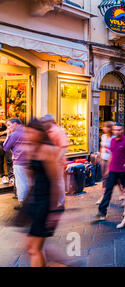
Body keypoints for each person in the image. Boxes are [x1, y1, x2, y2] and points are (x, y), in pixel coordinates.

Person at [24, 119, 63, 267]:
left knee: (33, 248)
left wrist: (53, 210)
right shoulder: (33, 149)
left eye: (32, 132)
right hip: (35, 200)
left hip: (44, 203)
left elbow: (55, 181)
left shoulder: (48, 149)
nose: (29, 135)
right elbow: (31, 177)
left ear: (40, 133)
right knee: (34, 247)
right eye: (28, 132)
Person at [95, 123, 125, 221]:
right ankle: (102, 212)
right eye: (115, 130)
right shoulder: (112, 140)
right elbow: (111, 155)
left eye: (119, 130)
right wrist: (108, 169)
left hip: (123, 170)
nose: (117, 132)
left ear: (122, 130)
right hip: (112, 170)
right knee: (108, 190)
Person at [40, 114, 70, 211]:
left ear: (50, 121)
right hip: (48, 161)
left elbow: (65, 146)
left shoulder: (57, 131)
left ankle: (60, 203)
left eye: (44, 122)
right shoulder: (46, 130)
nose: (43, 124)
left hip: (57, 162)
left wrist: (56, 159)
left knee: (58, 182)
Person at [4, 118, 28, 210]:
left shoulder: (14, 134)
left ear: (15, 124)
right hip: (30, 161)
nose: (8, 127)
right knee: (28, 182)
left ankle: (22, 203)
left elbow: (6, 147)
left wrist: (8, 134)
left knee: (21, 183)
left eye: (9, 125)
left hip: (20, 161)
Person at [95, 121, 115, 205]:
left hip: (111, 160)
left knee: (113, 179)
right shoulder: (103, 136)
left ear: (109, 128)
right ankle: (103, 196)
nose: (103, 128)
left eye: (105, 127)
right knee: (104, 178)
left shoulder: (113, 138)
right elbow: (102, 146)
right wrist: (99, 155)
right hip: (103, 159)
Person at [0, 120, 14, 185]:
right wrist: (4, 132)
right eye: (1, 112)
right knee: (1, 160)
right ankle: (3, 176)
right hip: (0, 143)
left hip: (7, 142)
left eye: (3, 112)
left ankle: (10, 177)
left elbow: (10, 130)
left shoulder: (5, 123)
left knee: (9, 160)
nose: (2, 114)